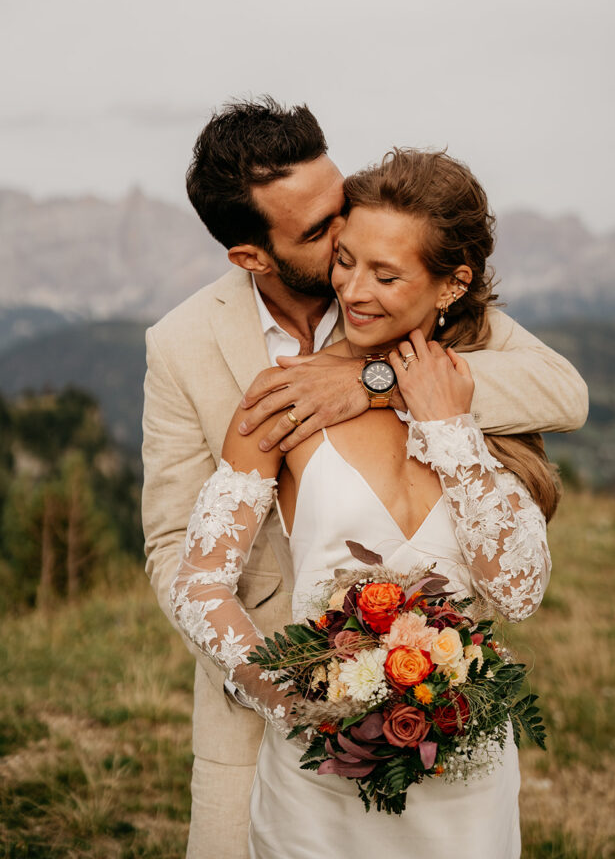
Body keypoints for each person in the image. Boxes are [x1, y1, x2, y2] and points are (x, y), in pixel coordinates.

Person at [142, 99, 588, 859]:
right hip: (293, 739)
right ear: (255, 255)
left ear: (444, 285)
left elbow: (562, 398)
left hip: (460, 767)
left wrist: (390, 386)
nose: (351, 267)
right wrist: (298, 695)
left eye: (342, 207)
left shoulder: (455, 333)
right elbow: (181, 558)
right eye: (330, 244)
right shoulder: (224, 368)